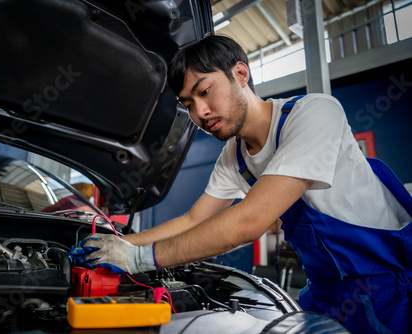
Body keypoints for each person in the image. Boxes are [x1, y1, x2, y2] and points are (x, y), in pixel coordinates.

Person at [77, 35, 412, 334]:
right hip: (324, 293)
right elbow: (194, 220)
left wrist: (139, 260)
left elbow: (249, 222)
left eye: (205, 92)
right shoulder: (234, 156)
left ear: (240, 73)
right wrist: (115, 245)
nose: (201, 113)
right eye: (189, 105)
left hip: (387, 290)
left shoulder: (314, 113)